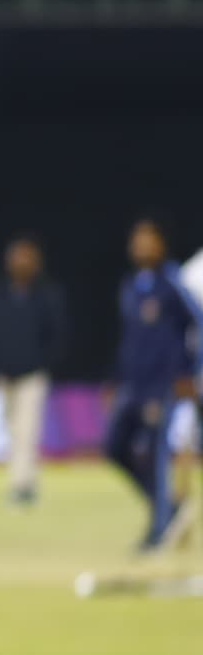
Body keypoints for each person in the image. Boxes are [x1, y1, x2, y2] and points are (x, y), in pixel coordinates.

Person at [102, 217, 201, 556]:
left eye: (148, 239)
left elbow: (196, 325)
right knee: (114, 448)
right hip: (132, 384)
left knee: (156, 454)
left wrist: (188, 373)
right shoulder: (130, 284)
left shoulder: (171, 282)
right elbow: (129, 340)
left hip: (163, 386)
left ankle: (159, 531)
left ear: (161, 244)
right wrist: (115, 380)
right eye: (137, 239)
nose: (141, 246)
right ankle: (168, 508)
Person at [0, 233, 70, 505]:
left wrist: (41, 364)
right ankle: (24, 482)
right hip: (3, 376)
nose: (21, 262)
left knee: (28, 431)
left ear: (37, 262)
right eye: (17, 256)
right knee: (12, 431)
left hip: (32, 376)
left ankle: (21, 487)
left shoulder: (47, 295)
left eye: (28, 256)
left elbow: (56, 336)